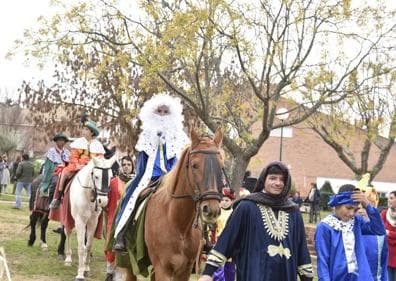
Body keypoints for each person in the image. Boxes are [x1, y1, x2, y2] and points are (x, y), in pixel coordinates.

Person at [199, 161, 313, 281]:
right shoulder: (246, 207)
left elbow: (302, 251)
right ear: (264, 180)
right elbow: (227, 240)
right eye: (273, 178)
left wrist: (307, 278)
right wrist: (208, 273)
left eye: (282, 179)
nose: (278, 183)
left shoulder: (293, 212)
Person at [112, 93, 189, 252]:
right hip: (150, 176)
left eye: (165, 112)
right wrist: (142, 179)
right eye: (159, 112)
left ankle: (203, 237)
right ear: (152, 113)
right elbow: (142, 163)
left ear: (171, 114)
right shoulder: (147, 135)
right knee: (132, 195)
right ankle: (122, 234)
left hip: (172, 177)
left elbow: (180, 161)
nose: (162, 115)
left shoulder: (179, 137)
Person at [315, 184, 386, 281]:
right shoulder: (325, 227)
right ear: (337, 204)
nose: (352, 213)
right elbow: (323, 261)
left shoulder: (356, 221)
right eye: (348, 208)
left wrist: (368, 206)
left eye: (355, 209)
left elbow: (379, 230)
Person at [49, 118, 105, 209]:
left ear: (92, 132)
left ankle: (102, 199)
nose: (83, 131)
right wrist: (77, 165)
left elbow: (100, 159)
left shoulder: (98, 145)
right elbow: (73, 157)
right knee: (64, 173)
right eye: (83, 128)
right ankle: (58, 198)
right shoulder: (78, 142)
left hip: (92, 168)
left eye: (86, 129)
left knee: (103, 178)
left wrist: (91, 166)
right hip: (77, 166)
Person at [104, 155, 135, 281]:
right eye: (124, 164)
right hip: (114, 219)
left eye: (129, 164)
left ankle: (123, 274)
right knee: (111, 247)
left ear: (133, 167)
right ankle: (110, 271)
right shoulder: (113, 182)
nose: (126, 167)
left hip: (131, 221)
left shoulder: (137, 182)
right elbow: (106, 202)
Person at [357, 205, 388, 281]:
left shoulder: (379, 233)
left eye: (364, 208)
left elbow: (383, 261)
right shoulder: (346, 230)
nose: (361, 211)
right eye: (358, 208)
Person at [212, 187, 236, 281]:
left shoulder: (235, 213)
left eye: (227, 200)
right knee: (218, 273)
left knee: (230, 272)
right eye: (222, 200)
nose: (224, 202)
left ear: (232, 201)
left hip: (230, 247)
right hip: (217, 246)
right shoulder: (215, 213)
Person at [381, 190, 396, 281]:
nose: (388, 200)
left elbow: (385, 232)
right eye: (388, 198)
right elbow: (380, 230)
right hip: (387, 254)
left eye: (391, 198)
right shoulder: (384, 214)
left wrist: (388, 233)